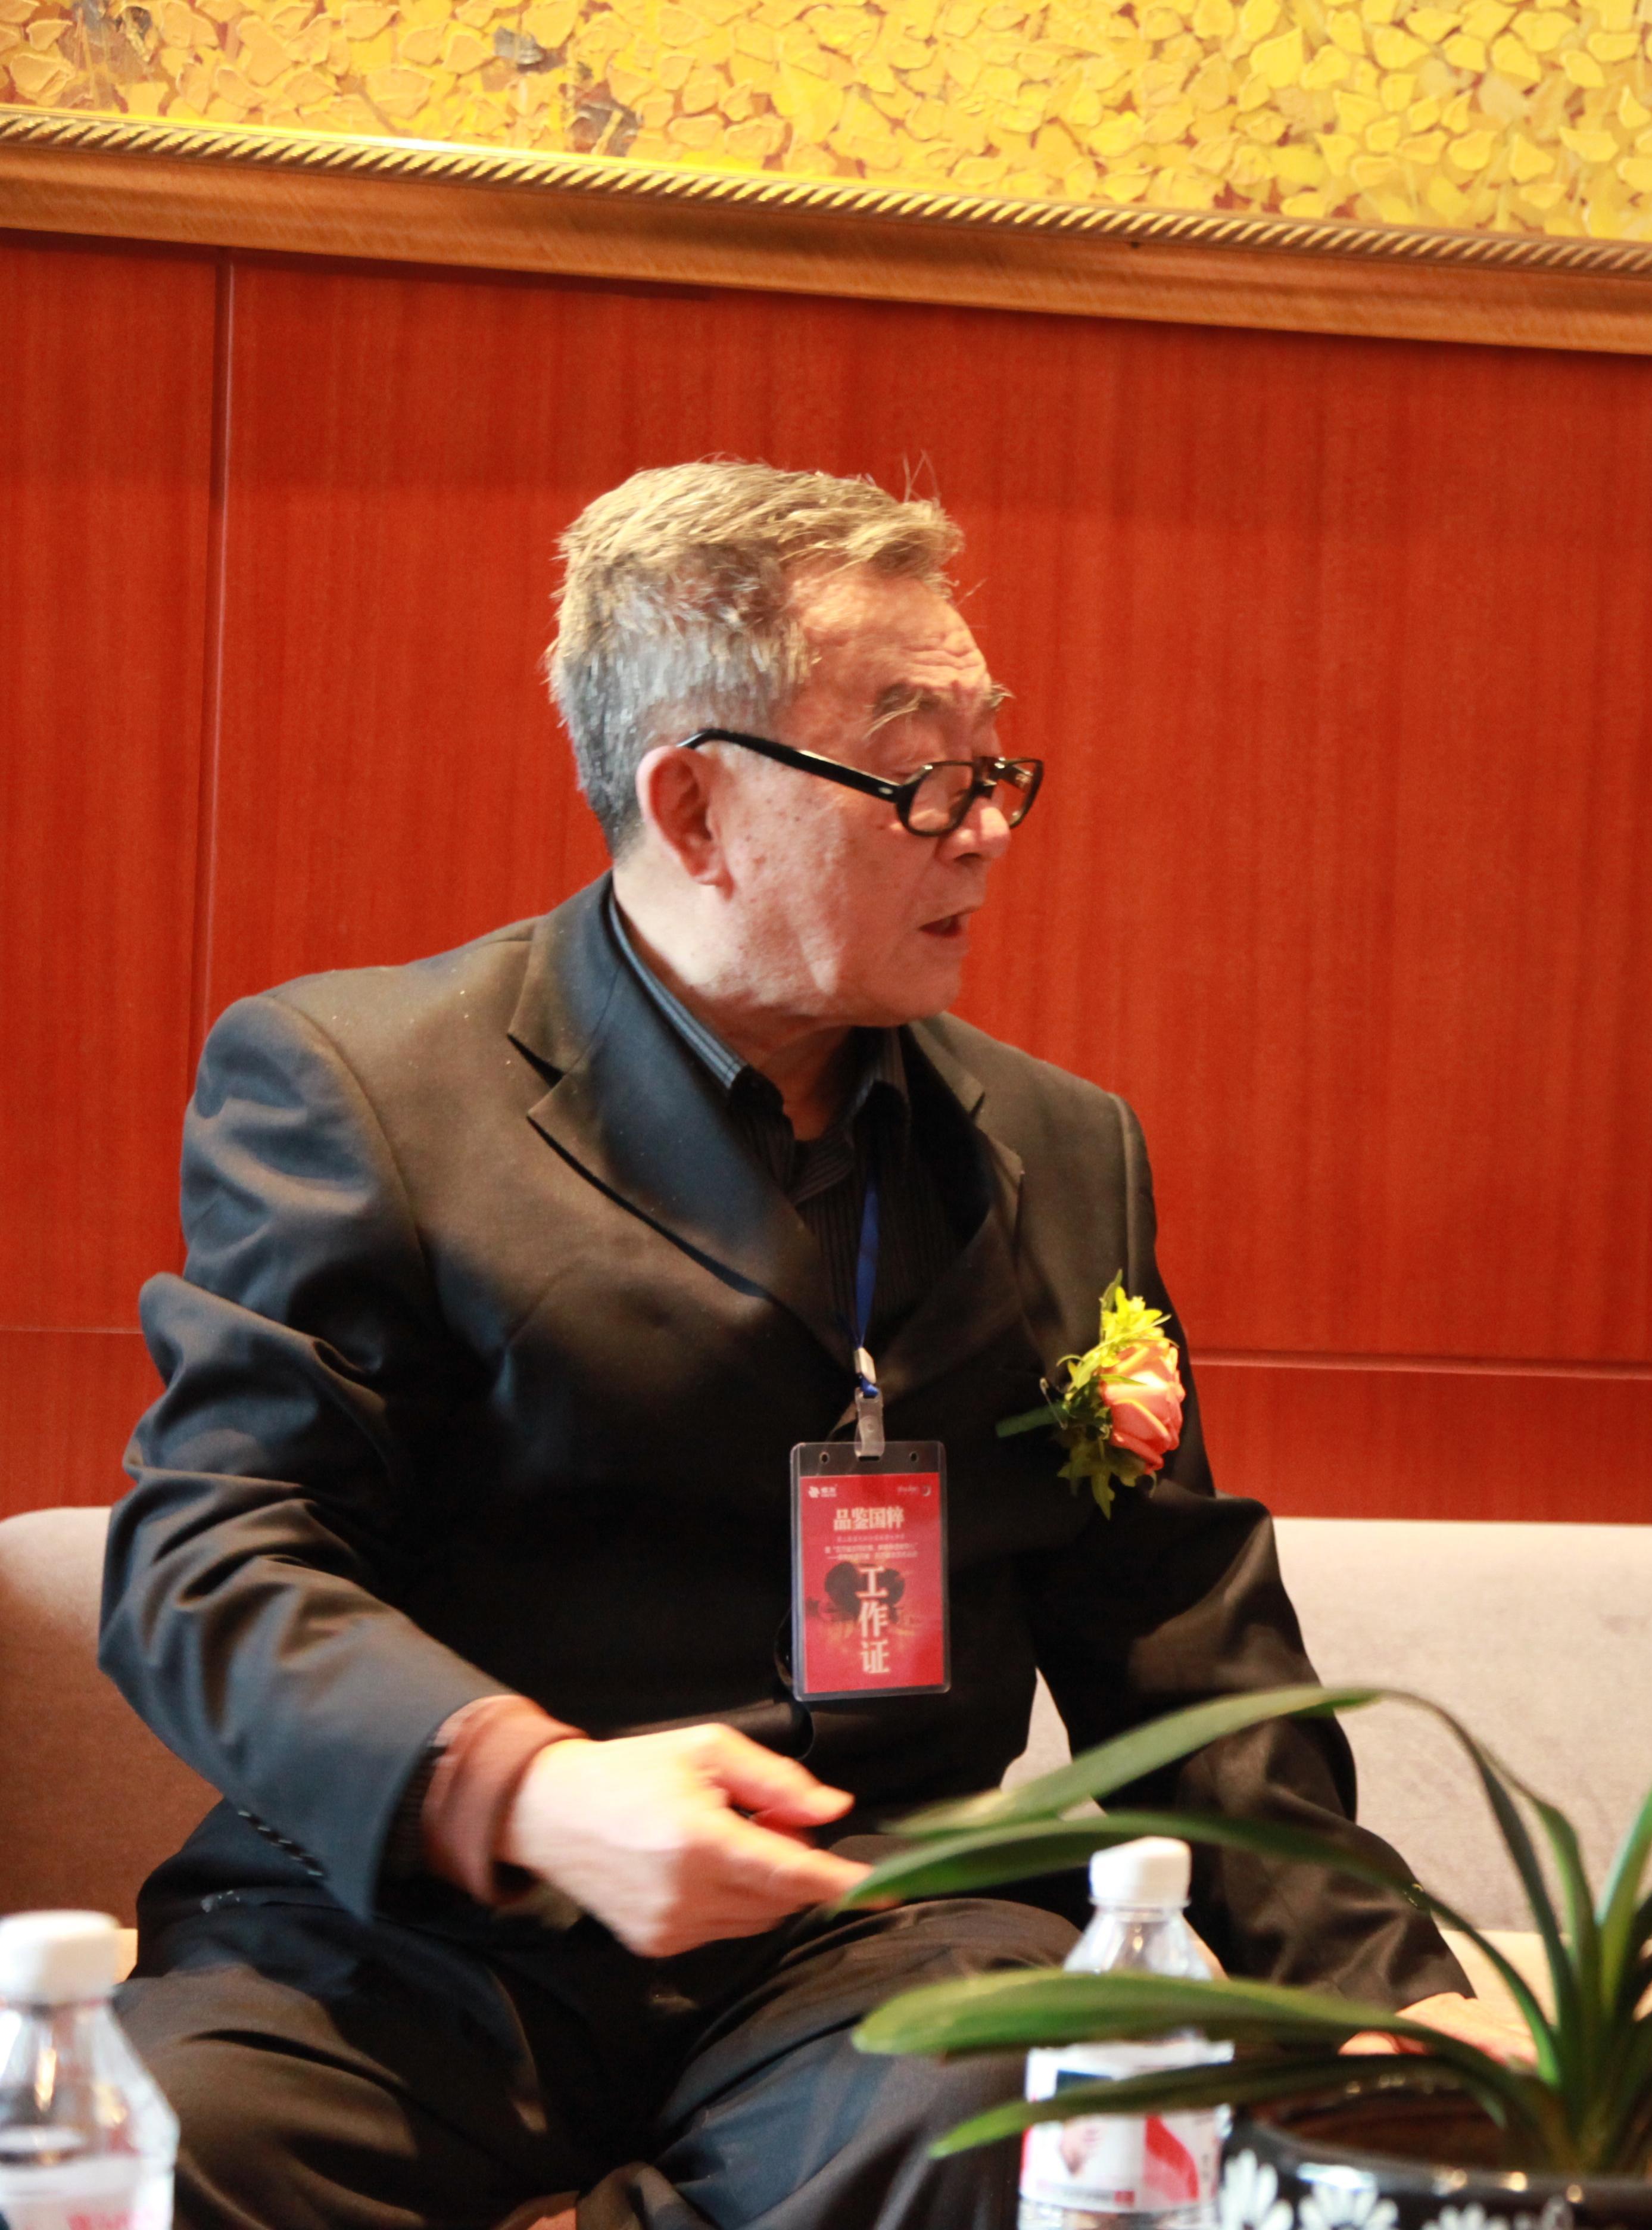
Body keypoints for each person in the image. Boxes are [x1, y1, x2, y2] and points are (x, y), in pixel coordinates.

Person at [104, 462, 1507, 2230]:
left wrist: (1384, 1996)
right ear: (692, 804)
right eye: (920, 774)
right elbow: (209, 1561)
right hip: (411, 1943)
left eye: (994, 766)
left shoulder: (1061, 1148)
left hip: (865, 1940)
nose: (983, 830)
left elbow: (1172, 1622)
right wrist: (526, 1785)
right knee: (144, 2153)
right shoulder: (364, 1086)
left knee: (1037, 2115)